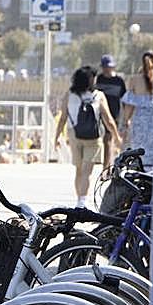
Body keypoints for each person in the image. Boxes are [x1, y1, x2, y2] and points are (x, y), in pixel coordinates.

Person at [53, 66, 120, 207]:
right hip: (93, 138)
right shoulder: (99, 96)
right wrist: (116, 137)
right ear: (90, 80)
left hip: (74, 135)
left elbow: (63, 118)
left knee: (78, 170)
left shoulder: (69, 95)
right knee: (86, 172)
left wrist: (57, 137)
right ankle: (82, 202)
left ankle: (80, 200)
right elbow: (108, 120)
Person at [122, 49, 153, 167]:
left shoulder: (134, 80)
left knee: (138, 152)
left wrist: (125, 122)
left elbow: (129, 105)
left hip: (139, 123)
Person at [94, 54, 127, 171]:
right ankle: (107, 166)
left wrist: (127, 117)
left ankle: (107, 167)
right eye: (104, 67)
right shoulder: (98, 79)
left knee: (108, 139)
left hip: (114, 113)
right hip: (98, 113)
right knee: (105, 140)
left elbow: (124, 99)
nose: (107, 69)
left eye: (109, 67)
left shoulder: (119, 81)